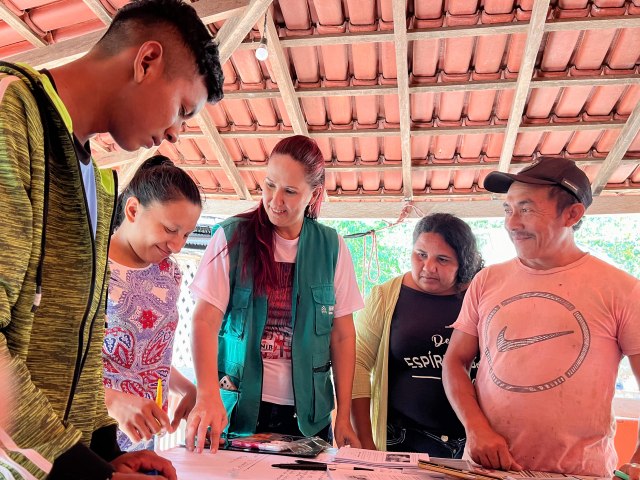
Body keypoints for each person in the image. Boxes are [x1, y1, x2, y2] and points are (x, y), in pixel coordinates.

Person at [0, 0, 224, 477]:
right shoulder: (10, 113)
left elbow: (74, 352)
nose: (175, 134)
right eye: (182, 109)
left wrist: (105, 451)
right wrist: (87, 472)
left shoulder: (98, 187)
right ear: (146, 61)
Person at [442, 157, 640, 477]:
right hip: (488, 468)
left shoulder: (621, 289)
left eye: (527, 209)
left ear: (572, 214)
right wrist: (477, 429)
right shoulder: (487, 281)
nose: (511, 223)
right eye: (508, 209)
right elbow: (454, 362)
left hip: (580, 472)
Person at [185, 135, 364, 452]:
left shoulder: (332, 248)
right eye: (269, 185)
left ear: (314, 193)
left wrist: (344, 416)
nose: (275, 200)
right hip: (237, 413)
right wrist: (207, 394)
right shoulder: (231, 237)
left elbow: (343, 336)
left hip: (309, 418)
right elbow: (204, 321)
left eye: (290, 191)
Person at [351, 213, 483, 457]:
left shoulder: (480, 296)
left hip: (472, 443)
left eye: (442, 259)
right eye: (421, 255)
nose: (428, 267)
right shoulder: (385, 296)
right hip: (403, 441)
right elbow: (358, 364)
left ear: (463, 263)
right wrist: (365, 440)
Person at [102, 156, 201, 452]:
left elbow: (145, 357)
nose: (178, 245)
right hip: (90, 438)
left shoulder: (169, 272)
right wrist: (111, 400)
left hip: (143, 439)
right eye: (170, 229)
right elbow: (57, 366)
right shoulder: (93, 266)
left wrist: (186, 387)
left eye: (186, 234)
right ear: (133, 210)